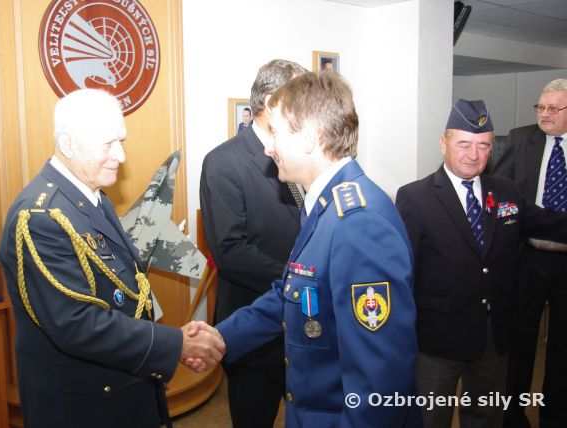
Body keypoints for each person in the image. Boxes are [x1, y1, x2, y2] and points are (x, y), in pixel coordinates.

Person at [0, 89, 224, 428]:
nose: (120, 155)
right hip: (83, 405)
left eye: (121, 141)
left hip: (123, 385)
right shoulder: (40, 217)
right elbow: (76, 324)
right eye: (108, 144)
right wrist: (175, 343)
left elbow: (127, 292)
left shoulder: (92, 196)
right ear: (68, 144)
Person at [207, 71, 421, 427]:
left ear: (309, 139)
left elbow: (379, 378)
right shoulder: (325, 205)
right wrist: (222, 336)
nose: (268, 148)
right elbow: (292, 291)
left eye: (275, 133)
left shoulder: (358, 223)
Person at [395, 99, 567, 428]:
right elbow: (403, 272)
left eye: (483, 146)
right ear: (443, 143)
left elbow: (546, 223)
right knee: (431, 418)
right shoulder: (415, 197)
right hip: (437, 339)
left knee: (487, 417)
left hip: (494, 337)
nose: (473, 155)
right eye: (464, 144)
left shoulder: (505, 191)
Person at [200, 59, 305, 428]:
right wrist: (300, 279)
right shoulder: (223, 162)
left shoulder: (299, 151)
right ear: (272, 103)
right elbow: (230, 251)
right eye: (299, 97)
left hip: (301, 324)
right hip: (254, 326)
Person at [490, 78, 567, 428]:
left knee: (562, 349)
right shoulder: (521, 139)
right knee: (519, 344)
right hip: (526, 257)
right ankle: (512, 417)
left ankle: (555, 417)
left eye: (553, 108)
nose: (545, 114)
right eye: (541, 107)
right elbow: (498, 192)